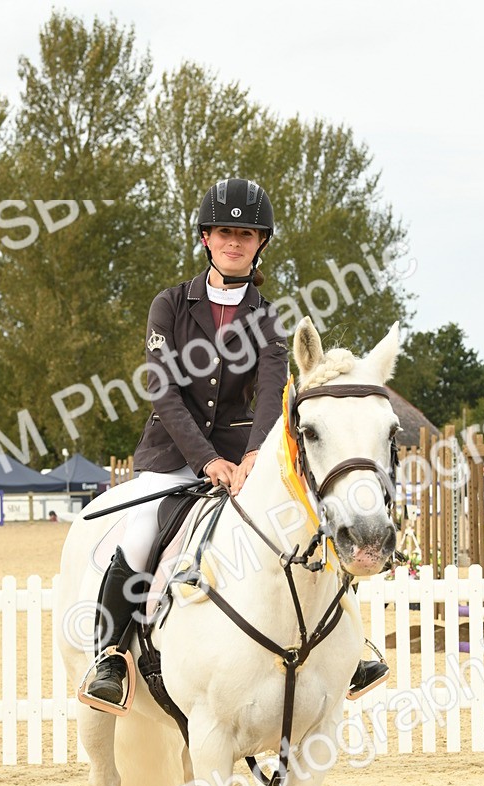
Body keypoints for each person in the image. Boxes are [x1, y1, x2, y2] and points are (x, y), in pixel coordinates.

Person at [86, 177, 388, 705]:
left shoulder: (266, 317)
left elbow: (273, 389)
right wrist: (207, 463)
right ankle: (109, 656)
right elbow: (163, 390)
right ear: (206, 237)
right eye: (225, 231)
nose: (234, 241)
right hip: (173, 453)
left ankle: (351, 644)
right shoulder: (170, 305)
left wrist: (252, 454)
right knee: (139, 535)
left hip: (245, 451)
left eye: (246, 234)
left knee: (310, 524)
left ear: (260, 243)